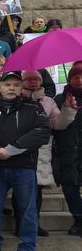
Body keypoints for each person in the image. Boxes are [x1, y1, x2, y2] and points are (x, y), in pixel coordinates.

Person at [0, 72, 50, 251]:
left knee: (27, 209)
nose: (11, 88)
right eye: (7, 84)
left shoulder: (33, 107)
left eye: (16, 85)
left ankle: (28, 248)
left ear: (21, 88)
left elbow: (42, 132)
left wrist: (12, 149)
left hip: (23, 167)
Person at [18, 71, 75, 236]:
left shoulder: (48, 101)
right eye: (29, 79)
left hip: (42, 150)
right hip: (21, 148)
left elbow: (58, 124)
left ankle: (34, 223)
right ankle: (20, 223)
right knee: (21, 189)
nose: (33, 82)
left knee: (37, 189)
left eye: (36, 79)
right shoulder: (17, 98)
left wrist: (68, 109)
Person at [53, 66, 82, 236]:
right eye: (75, 76)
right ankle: (78, 218)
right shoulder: (59, 98)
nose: (79, 79)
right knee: (69, 186)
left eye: (81, 76)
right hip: (67, 150)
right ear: (69, 79)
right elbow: (56, 125)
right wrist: (66, 107)